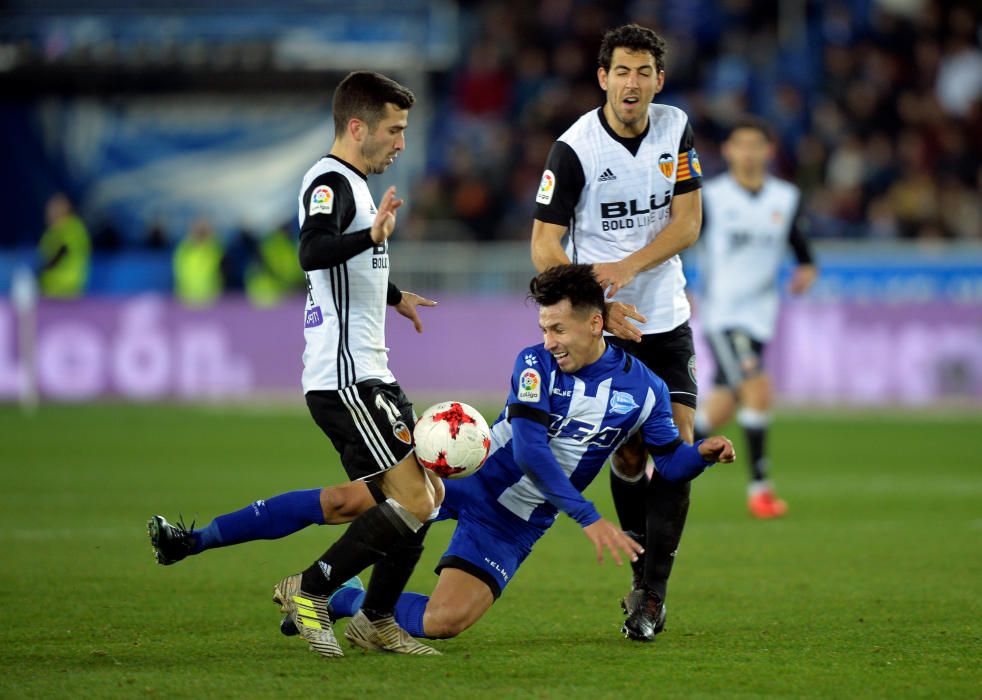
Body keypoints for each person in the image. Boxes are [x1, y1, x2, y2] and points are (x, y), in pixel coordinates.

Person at [152, 265, 734, 648]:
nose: (549, 339)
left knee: (446, 623)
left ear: (595, 323)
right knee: (342, 501)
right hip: (470, 474)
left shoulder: (648, 391)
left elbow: (670, 465)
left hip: (517, 521)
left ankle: (338, 601)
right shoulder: (534, 364)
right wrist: (588, 516)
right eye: (543, 327)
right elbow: (530, 447)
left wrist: (702, 453)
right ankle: (195, 540)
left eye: (558, 328)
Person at [149, 71, 441, 659]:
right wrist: (373, 237)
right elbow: (312, 251)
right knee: (415, 497)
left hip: (367, 371)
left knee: (411, 493)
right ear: (357, 127)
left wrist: (393, 294)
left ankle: (376, 618)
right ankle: (309, 589)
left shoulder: (355, 185)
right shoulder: (328, 181)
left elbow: (346, 272)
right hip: (346, 378)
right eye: (394, 129)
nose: (401, 143)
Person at [530, 24, 704, 641]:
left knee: (677, 456)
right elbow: (543, 244)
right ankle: (639, 571)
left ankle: (650, 593)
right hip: (607, 327)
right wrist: (600, 300)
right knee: (629, 453)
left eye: (644, 73)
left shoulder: (676, 127)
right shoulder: (574, 149)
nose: (633, 84)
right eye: (621, 72)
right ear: (603, 78)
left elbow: (688, 223)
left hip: (667, 315)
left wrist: (627, 270)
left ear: (660, 80)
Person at [693, 117, 818, 518]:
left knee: (723, 406)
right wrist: (680, 285)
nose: (748, 153)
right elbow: (682, 239)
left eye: (755, 145)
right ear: (728, 151)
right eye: (740, 145)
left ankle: (658, 461)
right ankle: (760, 488)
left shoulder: (785, 197)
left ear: (769, 151)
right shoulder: (711, 197)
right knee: (757, 386)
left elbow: (800, 247)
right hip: (724, 313)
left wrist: (806, 270)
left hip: (762, 315)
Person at [37, 193, 90, 298]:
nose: (50, 213)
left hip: (68, 290)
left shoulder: (73, 228)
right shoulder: (50, 233)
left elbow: (63, 251)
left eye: (54, 209)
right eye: (49, 209)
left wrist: (42, 268)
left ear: (65, 209)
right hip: (49, 289)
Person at [173, 218, 224, 307]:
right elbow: (178, 271)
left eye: (203, 230)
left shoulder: (216, 249)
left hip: (211, 298)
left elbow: (224, 271)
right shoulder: (184, 249)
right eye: (198, 229)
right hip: (186, 297)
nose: (201, 233)